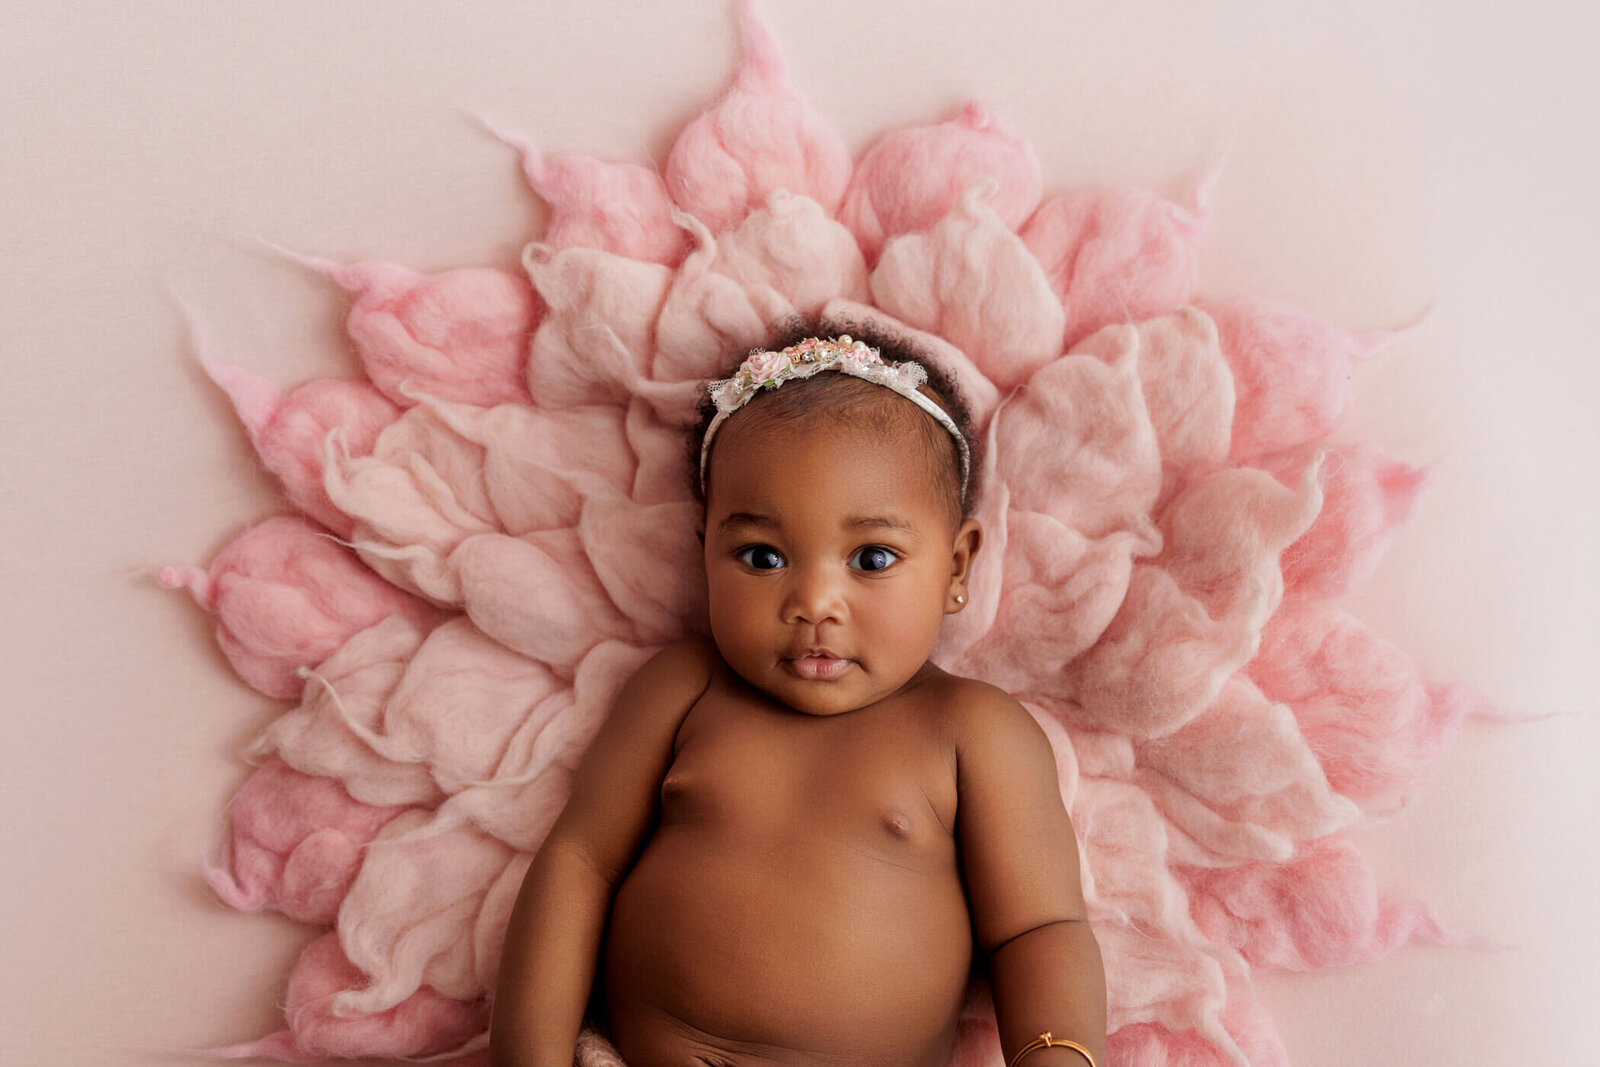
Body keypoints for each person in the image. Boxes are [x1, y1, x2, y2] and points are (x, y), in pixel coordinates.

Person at [490, 323, 1106, 1067]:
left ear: (956, 564)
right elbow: (578, 862)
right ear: (705, 546)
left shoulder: (972, 731)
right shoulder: (683, 689)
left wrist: (1058, 1055)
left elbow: (1039, 928)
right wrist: (531, 1054)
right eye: (762, 555)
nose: (814, 601)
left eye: (872, 557)